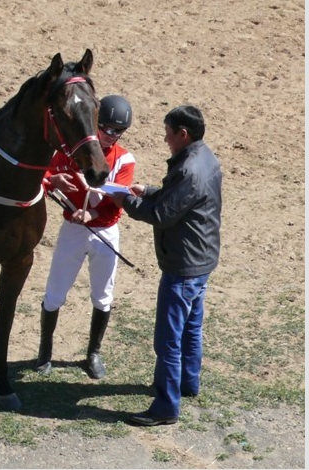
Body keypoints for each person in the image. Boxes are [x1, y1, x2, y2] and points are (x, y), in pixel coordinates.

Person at [109, 105, 222, 426]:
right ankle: (188, 383)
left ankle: (166, 407)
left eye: (169, 133)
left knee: (168, 339)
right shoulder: (206, 158)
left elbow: (161, 215)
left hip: (183, 266)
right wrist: (147, 191)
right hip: (202, 259)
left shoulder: (187, 169)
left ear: (183, 134)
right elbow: (181, 198)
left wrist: (125, 201)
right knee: (191, 328)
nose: (165, 139)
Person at [36, 94, 135, 379]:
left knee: (102, 296)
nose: (110, 136)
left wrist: (93, 216)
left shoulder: (125, 159)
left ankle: (93, 352)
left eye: (118, 131)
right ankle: (45, 351)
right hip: (73, 231)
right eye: (105, 128)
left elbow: (119, 198)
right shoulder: (70, 152)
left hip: (104, 231)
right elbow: (42, 174)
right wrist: (51, 180)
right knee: (55, 293)